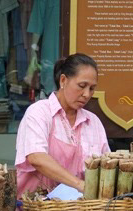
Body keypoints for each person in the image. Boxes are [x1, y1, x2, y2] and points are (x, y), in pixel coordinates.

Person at [15, 53, 110, 196]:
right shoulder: (39, 112)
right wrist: (79, 185)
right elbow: (36, 157)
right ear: (63, 80)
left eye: (91, 88)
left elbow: (106, 166)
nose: (86, 94)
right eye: (82, 86)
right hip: (35, 209)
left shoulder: (93, 122)